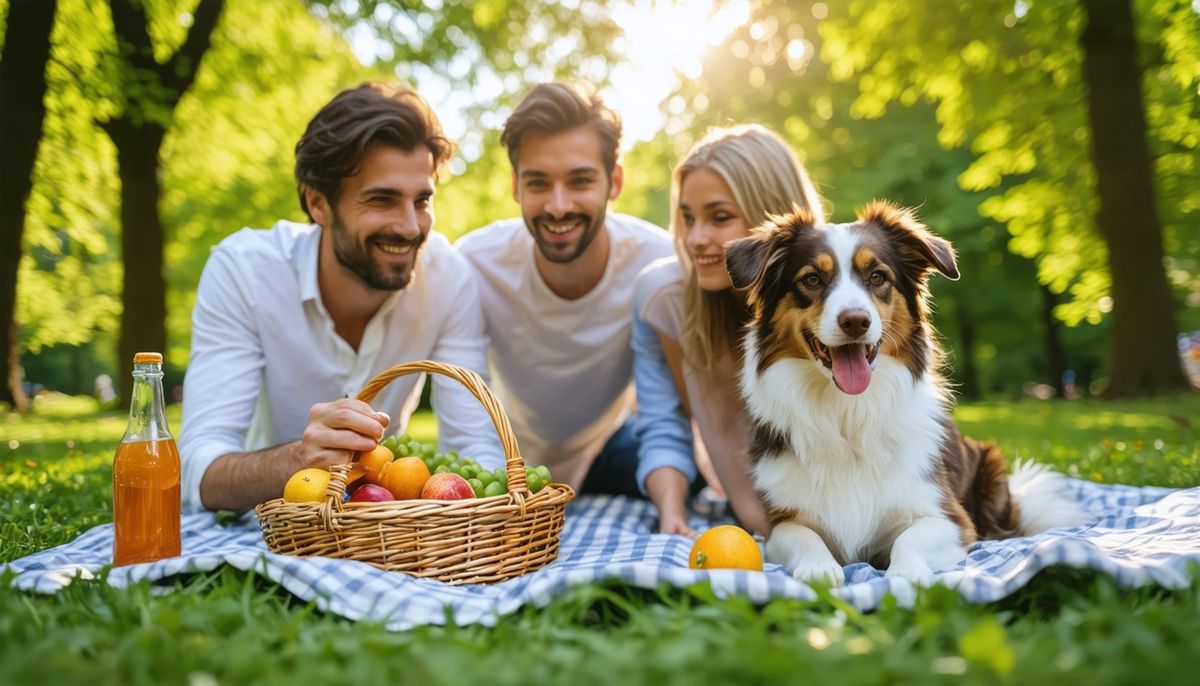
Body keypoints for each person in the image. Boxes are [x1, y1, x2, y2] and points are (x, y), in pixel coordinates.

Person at [179, 83, 502, 513]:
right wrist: (300, 460)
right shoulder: (245, 271)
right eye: (382, 200)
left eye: (422, 200)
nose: (410, 227)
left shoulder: (449, 278)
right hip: (276, 520)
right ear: (318, 203)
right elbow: (197, 472)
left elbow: (476, 449)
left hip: (380, 520)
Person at [456, 83, 674, 495]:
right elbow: (461, 397)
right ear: (516, 186)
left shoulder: (658, 263)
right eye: (538, 183)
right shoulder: (473, 262)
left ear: (614, 181)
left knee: (677, 467)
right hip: (503, 456)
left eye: (579, 181)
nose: (558, 206)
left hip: (611, 451)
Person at [632, 124, 826, 536]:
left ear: (770, 214)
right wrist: (672, 511)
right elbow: (662, 421)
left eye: (720, 217)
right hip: (755, 514)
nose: (695, 239)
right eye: (686, 218)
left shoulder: (826, 307)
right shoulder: (663, 300)